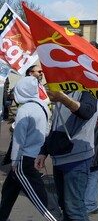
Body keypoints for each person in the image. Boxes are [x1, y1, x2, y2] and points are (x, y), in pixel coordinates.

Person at [0, 77, 60, 221]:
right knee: (8, 190)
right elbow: (46, 131)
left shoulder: (24, 109)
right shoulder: (42, 106)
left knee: (39, 197)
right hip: (33, 154)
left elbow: (18, 139)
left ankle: (57, 218)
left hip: (23, 159)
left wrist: (14, 161)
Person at [35, 89, 98, 220]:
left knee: (74, 209)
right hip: (59, 158)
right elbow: (55, 127)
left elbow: (86, 112)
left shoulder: (87, 93)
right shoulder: (62, 91)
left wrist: (63, 98)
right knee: (64, 206)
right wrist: (43, 152)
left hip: (76, 159)